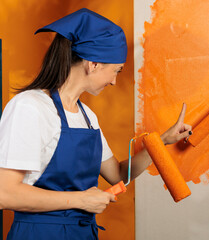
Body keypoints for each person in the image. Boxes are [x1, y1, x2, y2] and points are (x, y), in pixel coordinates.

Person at [0, 8, 192, 240]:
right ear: (93, 64)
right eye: (116, 71)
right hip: (40, 233)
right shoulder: (30, 107)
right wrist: (80, 200)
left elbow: (119, 174)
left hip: (82, 233)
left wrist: (161, 142)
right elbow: (5, 193)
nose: (114, 81)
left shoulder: (87, 116)